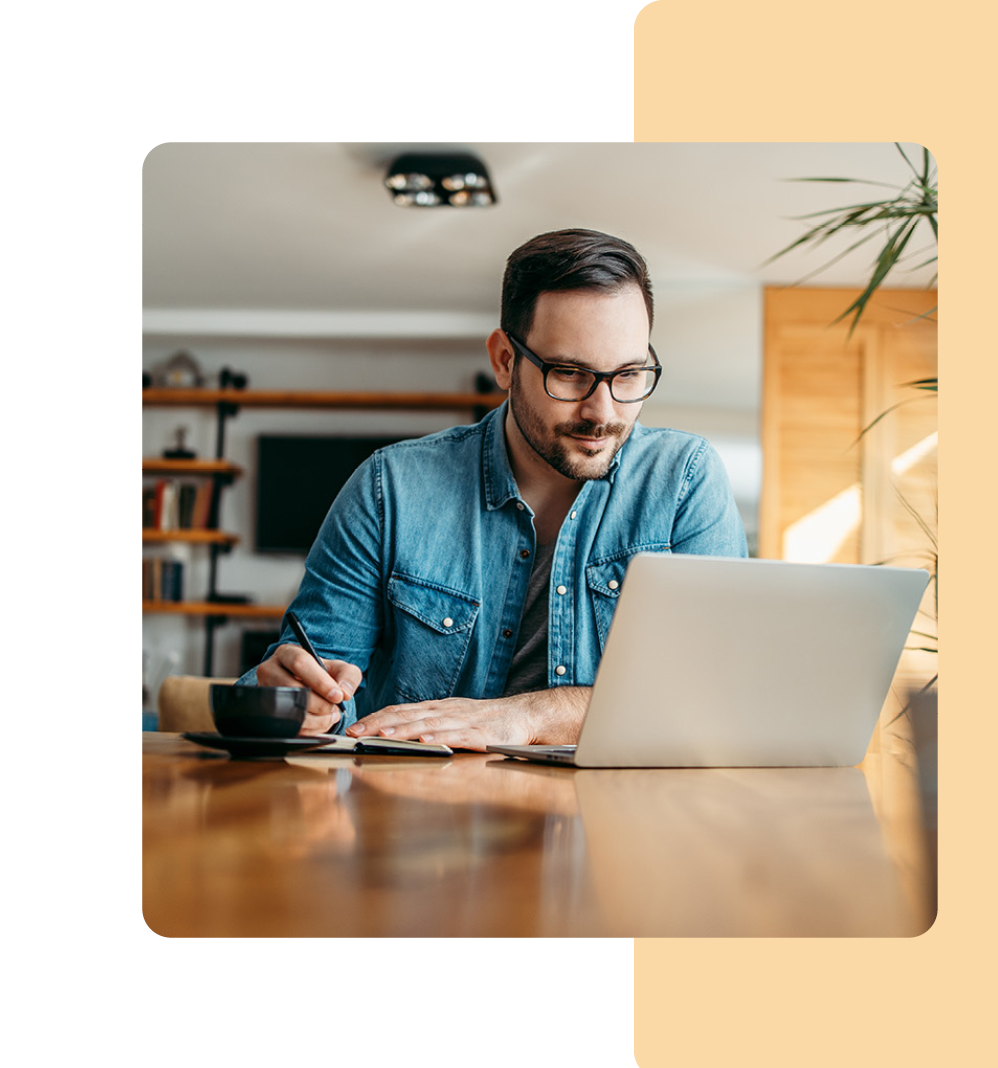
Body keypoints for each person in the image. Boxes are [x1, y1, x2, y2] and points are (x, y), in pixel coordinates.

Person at [241, 228, 747, 749]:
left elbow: (721, 694)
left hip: (616, 821)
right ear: (505, 360)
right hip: (416, 819)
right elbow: (308, 681)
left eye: (629, 374)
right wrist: (296, 700)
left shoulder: (685, 480)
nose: (603, 412)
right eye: (570, 373)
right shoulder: (387, 489)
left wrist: (529, 716)